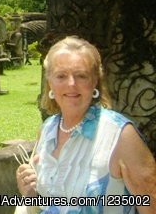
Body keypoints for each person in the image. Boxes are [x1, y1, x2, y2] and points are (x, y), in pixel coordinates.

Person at [16, 36, 156, 214]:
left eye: (81, 76)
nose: (71, 84)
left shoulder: (119, 135)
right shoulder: (47, 130)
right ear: (49, 82)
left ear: (95, 81)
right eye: (61, 76)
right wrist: (30, 193)